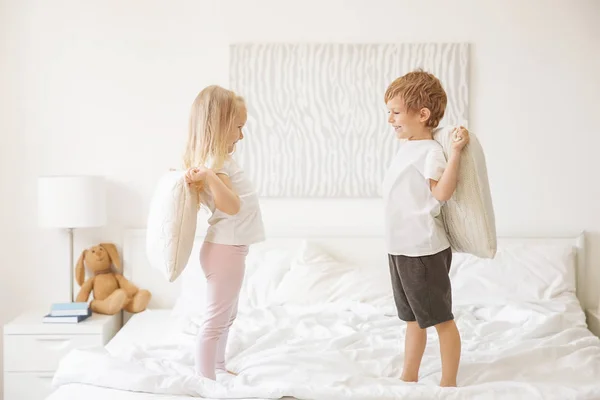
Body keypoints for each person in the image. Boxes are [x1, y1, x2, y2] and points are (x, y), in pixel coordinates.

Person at [382, 70, 469, 387]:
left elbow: (442, 193)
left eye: (395, 112)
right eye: (389, 112)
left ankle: (448, 383)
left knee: (441, 319)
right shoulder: (406, 148)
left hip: (422, 250)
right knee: (412, 318)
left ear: (422, 114)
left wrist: (456, 152)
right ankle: (409, 374)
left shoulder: (431, 151)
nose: (390, 119)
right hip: (400, 248)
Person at [183, 85, 265, 380]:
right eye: (239, 127)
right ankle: (206, 379)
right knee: (216, 320)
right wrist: (208, 176)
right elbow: (230, 206)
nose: (242, 136)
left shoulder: (217, 162)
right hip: (225, 251)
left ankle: (217, 366)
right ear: (219, 124)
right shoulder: (213, 165)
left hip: (229, 249)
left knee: (227, 316)